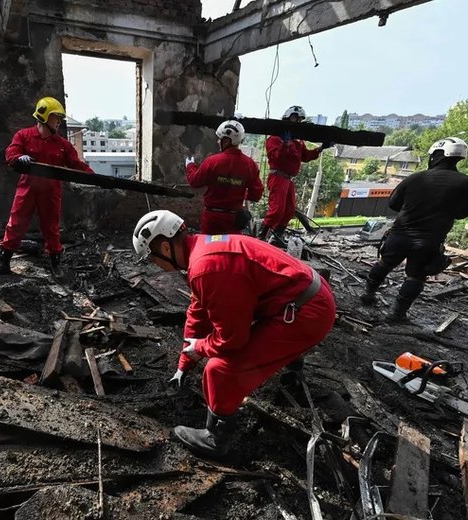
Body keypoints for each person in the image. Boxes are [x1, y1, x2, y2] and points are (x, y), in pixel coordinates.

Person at [132, 210, 336, 457]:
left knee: (219, 370)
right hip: (305, 297)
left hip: (306, 314)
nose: (157, 267)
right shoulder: (201, 250)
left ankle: (216, 438)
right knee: (239, 345)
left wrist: (200, 349)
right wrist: (183, 365)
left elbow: (231, 339)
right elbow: (198, 312)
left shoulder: (206, 269)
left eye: (153, 259)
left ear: (165, 247)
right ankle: (293, 362)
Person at [360, 137, 468, 321]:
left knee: (384, 264)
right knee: (416, 277)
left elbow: (393, 204)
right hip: (429, 240)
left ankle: (367, 294)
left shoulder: (415, 178)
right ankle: (397, 314)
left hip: (400, 234)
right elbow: (462, 214)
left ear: (436, 155)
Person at [0, 96, 94, 278]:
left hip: (50, 191)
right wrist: (18, 158)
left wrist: (94, 177)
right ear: (45, 116)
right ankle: (4, 261)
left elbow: (76, 164)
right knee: (15, 223)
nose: (59, 122)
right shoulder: (24, 136)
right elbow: (11, 152)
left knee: (51, 228)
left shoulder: (62, 145)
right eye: (56, 117)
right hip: (27, 189)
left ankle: (55, 263)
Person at [258, 105, 331, 247]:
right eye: (294, 118)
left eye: (299, 120)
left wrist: (321, 148)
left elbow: (305, 156)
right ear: (287, 118)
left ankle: (277, 236)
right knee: (277, 209)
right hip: (278, 177)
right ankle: (261, 235)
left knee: (289, 210)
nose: (297, 122)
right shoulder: (275, 138)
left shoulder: (298, 141)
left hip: (288, 180)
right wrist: (284, 144)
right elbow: (275, 158)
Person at [185, 120, 263, 234]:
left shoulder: (212, 162)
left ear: (226, 141)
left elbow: (194, 181)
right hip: (234, 220)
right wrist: (238, 191)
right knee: (230, 249)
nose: (218, 142)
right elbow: (256, 195)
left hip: (212, 219)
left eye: (220, 139)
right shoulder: (250, 165)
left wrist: (190, 166)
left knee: (209, 249)